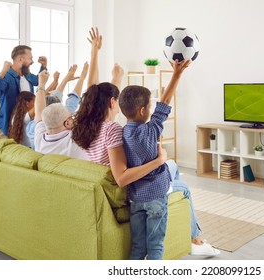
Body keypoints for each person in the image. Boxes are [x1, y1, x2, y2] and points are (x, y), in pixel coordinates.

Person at [119, 58, 220, 259]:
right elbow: (164, 105)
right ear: (143, 110)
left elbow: (160, 107)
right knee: (155, 245)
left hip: (136, 198)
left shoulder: (123, 133)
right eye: (149, 106)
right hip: (156, 195)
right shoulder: (151, 130)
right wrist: (177, 74)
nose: (152, 108)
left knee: (138, 246)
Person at [72, 27, 167, 189]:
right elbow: (122, 178)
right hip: (121, 188)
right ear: (112, 102)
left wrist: (95, 51)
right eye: (118, 99)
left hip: (99, 182)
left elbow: (93, 90)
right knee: (174, 172)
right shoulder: (111, 129)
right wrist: (160, 160)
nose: (120, 103)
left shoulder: (87, 123)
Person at [0, 45, 47, 138]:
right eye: (30, 58)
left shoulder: (27, 75)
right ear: (20, 59)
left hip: (25, 126)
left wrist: (43, 67)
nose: (32, 61)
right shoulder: (6, 76)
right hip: (8, 129)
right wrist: (3, 71)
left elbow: (39, 81)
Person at [26, 63, 88, 149]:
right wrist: (82, 78)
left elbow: (40, 109)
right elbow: (73, 100)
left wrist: (42, 84)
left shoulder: (34, 129)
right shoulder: (68, 138)